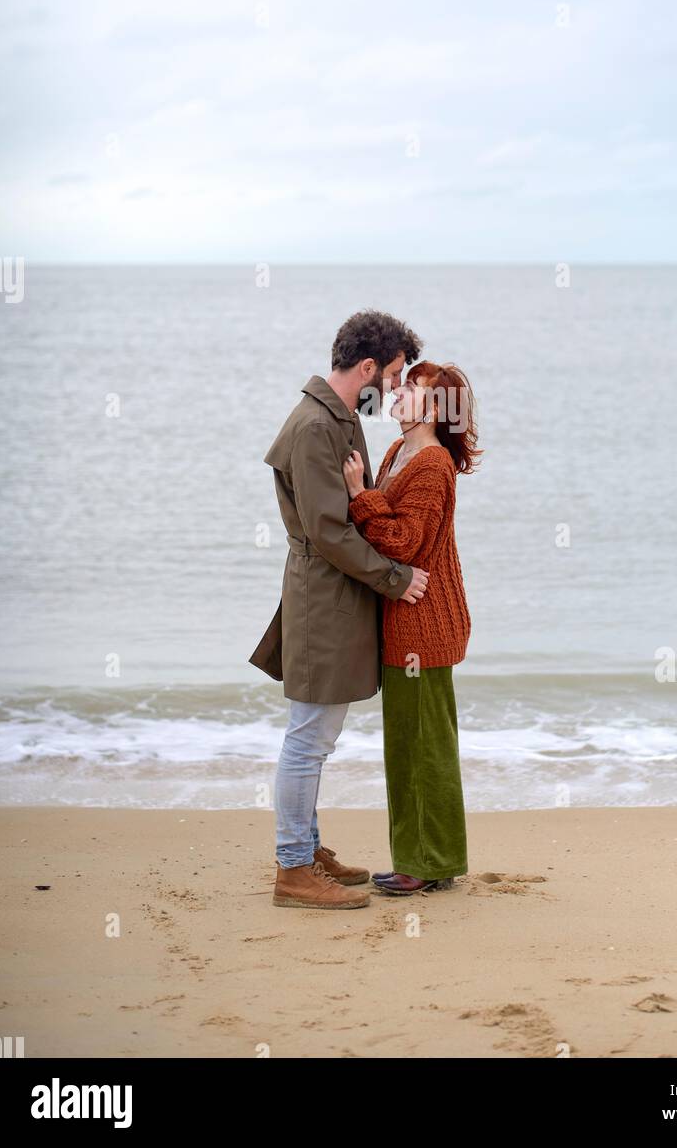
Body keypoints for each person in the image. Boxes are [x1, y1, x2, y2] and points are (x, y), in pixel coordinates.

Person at [250, 311, 431, 911]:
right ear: (369, 367)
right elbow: (329, 532)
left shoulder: (339, 417)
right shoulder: (314, 427)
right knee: (308, 738)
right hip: (322, 597)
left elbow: (350, 513)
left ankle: (306, 846)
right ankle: (293, 869)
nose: (396, 386)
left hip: (333, 595)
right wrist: (395, 579)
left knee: (316, 736)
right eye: (396, 372)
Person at [342, 361, 481, 893]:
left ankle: (425, 864)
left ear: (437, 408)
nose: (397, 393)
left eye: (412, 389)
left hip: (424, 626)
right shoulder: (400, 452)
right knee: (406, 747)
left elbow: (404, 542)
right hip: (404, 621)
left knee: (425, 749)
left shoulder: (432, 464)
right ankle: (428, 860)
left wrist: (360, 496)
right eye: (402, 385)